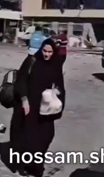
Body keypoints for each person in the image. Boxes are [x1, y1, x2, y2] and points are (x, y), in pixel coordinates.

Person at [10, 39, 65, 177]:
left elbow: (60, 85)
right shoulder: (32, 61)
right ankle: (32, 167)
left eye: (50, 52)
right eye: (44, 51)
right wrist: (23, 99)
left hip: (46, 108)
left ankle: (35, 163)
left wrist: (57, 93)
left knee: (46, 136)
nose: (47, 54)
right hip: (30, 106)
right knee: (29, 138)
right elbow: (21, 81)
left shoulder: (56, 64)